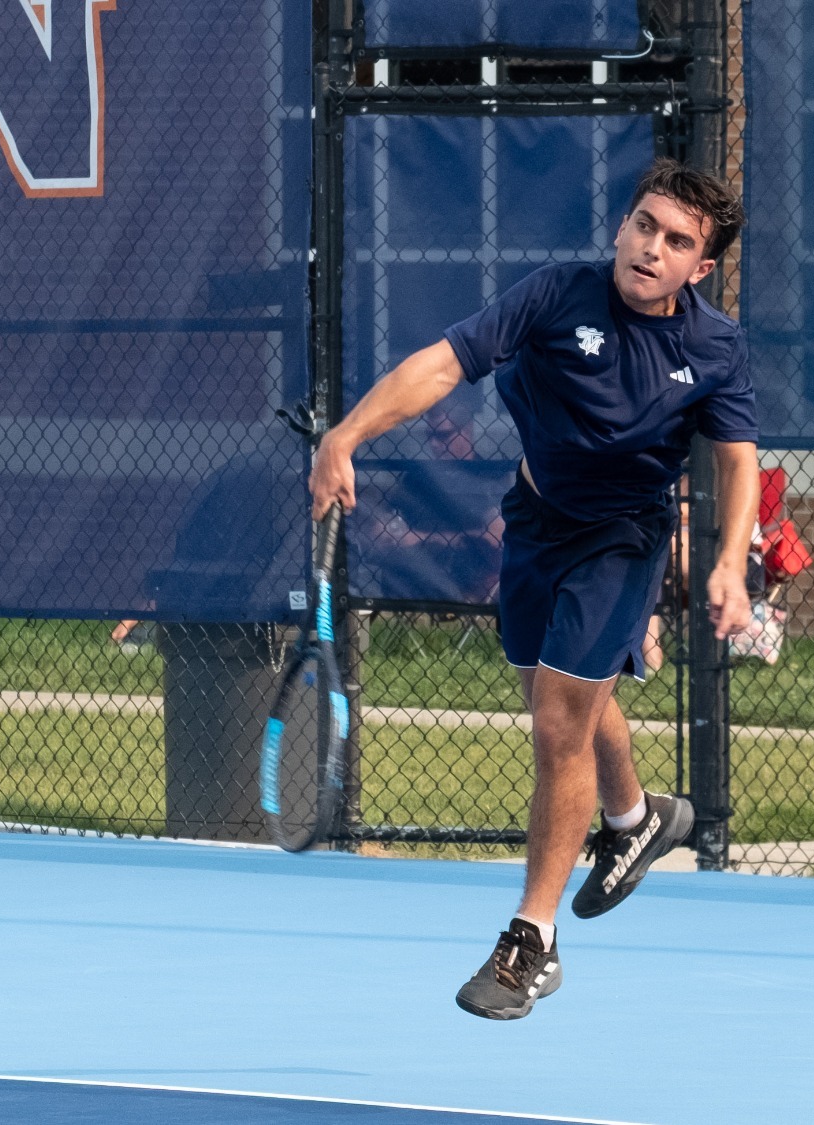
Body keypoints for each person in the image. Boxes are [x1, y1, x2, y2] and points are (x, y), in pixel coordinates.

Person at [308, 159, 759, 1020]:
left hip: (622, 539)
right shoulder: (556, 294)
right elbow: (442, 365)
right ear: (622, 227)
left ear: (700, 268)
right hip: (536, 520)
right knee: (556, 693)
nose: (651, 247)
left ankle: (531, 940)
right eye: (644, 225)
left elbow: (738, 461)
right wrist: (347, 435)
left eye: (676, 241)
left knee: (558, 724)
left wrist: (730, 562)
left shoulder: (714, 347)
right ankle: (635, 817)